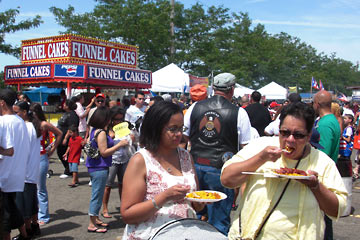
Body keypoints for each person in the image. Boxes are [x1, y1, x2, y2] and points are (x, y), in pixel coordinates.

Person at [221, 102, 348, 240]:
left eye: (298, 135)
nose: (290, 140)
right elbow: (227, 179)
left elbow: (337, 210)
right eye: (285, 133)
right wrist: (260, 158)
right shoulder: (260, 147)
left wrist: (315, 186)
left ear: (309, 135)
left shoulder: (322, 162)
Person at [121, 101, 205, 239]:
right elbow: (128, 214)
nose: (179, 134)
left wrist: (200, 202)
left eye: (181, 128)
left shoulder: (186, 156)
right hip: (151, 235)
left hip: (185, 233)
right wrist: (164, 197)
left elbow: (196, 205)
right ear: (156, 128)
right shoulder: (141, 160)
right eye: (173, 129)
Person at [183, 72, 251, 235]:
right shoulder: (239, 113)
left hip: (195, 167)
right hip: (221, 170)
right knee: (219, 222)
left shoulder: (195, 107)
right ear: (232, 90)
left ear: (213, 88)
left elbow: (182, 138)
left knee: (194, 218)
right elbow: (246, 147)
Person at [86, 106, 129, 233]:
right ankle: (92, 224)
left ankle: (96, 218)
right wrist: (119, 145)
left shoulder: (95, 130)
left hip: (96, 166)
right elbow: (104, 152)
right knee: (97, 195)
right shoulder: (101, 133)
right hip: (99, 167)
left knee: (97, 194)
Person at [0, 89, 31, 240]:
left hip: (4, 175)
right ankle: (25, 235)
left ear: (2, 102)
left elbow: (8, 150)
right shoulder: (20, 121)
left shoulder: (3, 122)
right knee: (11, 207)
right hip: (17, 173)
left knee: (3, 217)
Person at [313, 90, 341, 240]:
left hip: (323, 176)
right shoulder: (332, 120)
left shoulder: (324, 124)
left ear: (317, 104)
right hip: (328, 172)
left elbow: (322, 152)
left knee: (323, 220)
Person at [13, 101, 42, 239]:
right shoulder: (33, 125)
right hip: (31, 170)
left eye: (16, 112)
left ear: (24, 112)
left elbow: (20, 151)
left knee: (24, 207)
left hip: (24, 172)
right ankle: (34, 226)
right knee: (31, 203)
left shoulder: (26, 127)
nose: (15, 115)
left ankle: (27, 231)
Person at [30, 103, 62, 226]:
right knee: (31, 188)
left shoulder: (43, 124)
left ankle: (43, 215)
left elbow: (59, 133)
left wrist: (53, 149)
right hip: (31, 158)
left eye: (32, 112)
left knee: (40, 188)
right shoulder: (28, 124)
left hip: (41, 156)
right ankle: (35, 212)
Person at [102, 106, 132, 218]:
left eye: (120, 119)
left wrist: (131, 138)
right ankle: (105, 208)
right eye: (116, 119)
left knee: (122, 185)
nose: (118, 121)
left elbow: (132, 141)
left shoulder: (124, 128)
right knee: (108, 185)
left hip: (124, 159)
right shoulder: (106, 130)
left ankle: (123, 205)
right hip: (111, 160)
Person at [57, 99, 79, 178]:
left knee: (66, 153)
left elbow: (71, 128)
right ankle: (68, 169)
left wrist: (66, 138)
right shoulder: (66, 114)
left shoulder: (72, 115)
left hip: (67, 138)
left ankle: (69, 170)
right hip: (61, 137)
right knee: (60, 152)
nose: (63, 105)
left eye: (65, 104)